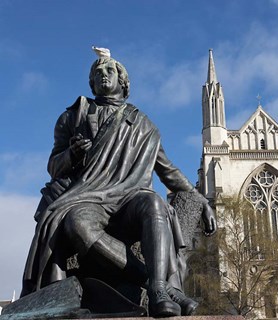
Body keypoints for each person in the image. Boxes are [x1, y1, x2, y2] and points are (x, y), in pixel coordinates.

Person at [21, 47, 217, 317]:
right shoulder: (72, 117)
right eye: (97, 72)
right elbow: (53, 166)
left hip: (128, 199)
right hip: (88, 198)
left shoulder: (143, 125)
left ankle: (160, 290)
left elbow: (167, 169)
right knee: (77, 223)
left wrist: (201, 199)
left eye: (109, 70)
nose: (103, 74)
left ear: (123, 81)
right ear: (91, 83)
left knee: (154, 204)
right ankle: (152, 282)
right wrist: (72, 154)